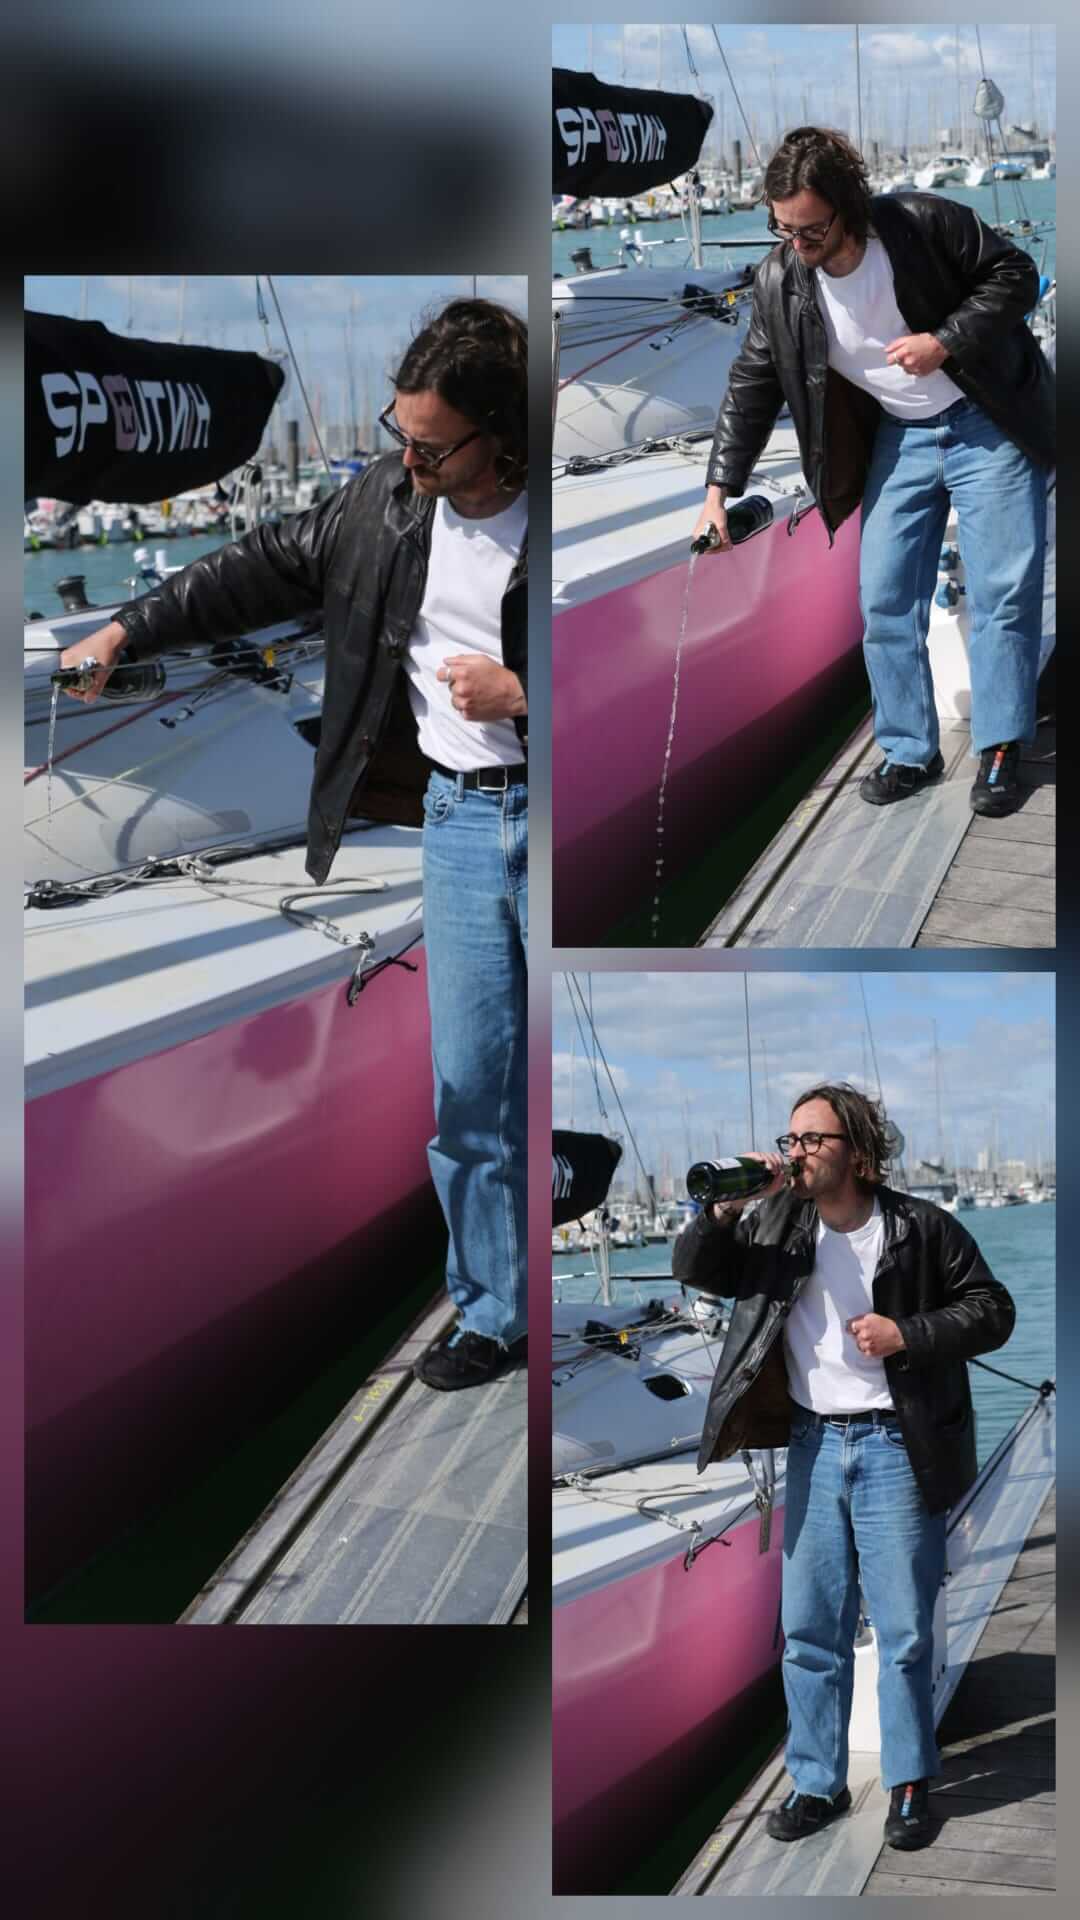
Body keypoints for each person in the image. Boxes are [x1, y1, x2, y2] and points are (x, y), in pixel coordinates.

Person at [59, 296, 528, 1392]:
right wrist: (129, 625)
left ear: (502, 434)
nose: (408, 460)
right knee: (470, 1092)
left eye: (431, 446)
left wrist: (525, 693)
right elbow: (264, 563)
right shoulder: (388, 504)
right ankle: (497, 1315)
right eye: (400, 434)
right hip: (461, 823)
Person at [673, 1082, 1014, 1852]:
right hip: (813, 1445)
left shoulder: (920, 1228)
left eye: (812, 1140)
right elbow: (697, 1269)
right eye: (790, 1140)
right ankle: (817, 1784)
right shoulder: (774, 1223)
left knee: (903, 1632)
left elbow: (993, 1310)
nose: (796, 1153)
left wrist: (907, 1334)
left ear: (856, 1153)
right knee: (808, 1631)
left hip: (897, 1445)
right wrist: (721, 1211)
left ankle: (908, 1785)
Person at [691, 126, 1055, 819]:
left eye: (811, 229)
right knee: (885, 596)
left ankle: (1001, 748)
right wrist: (718, 494)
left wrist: (944, 342)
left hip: (986, 416)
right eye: (783, 228)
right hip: (902, 434)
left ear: (848, 207)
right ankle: (910, 751)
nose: (797, 243)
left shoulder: (922, 223)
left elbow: (1014, 275)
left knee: (1003, 592)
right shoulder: (780, 280)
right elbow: (751, 383)